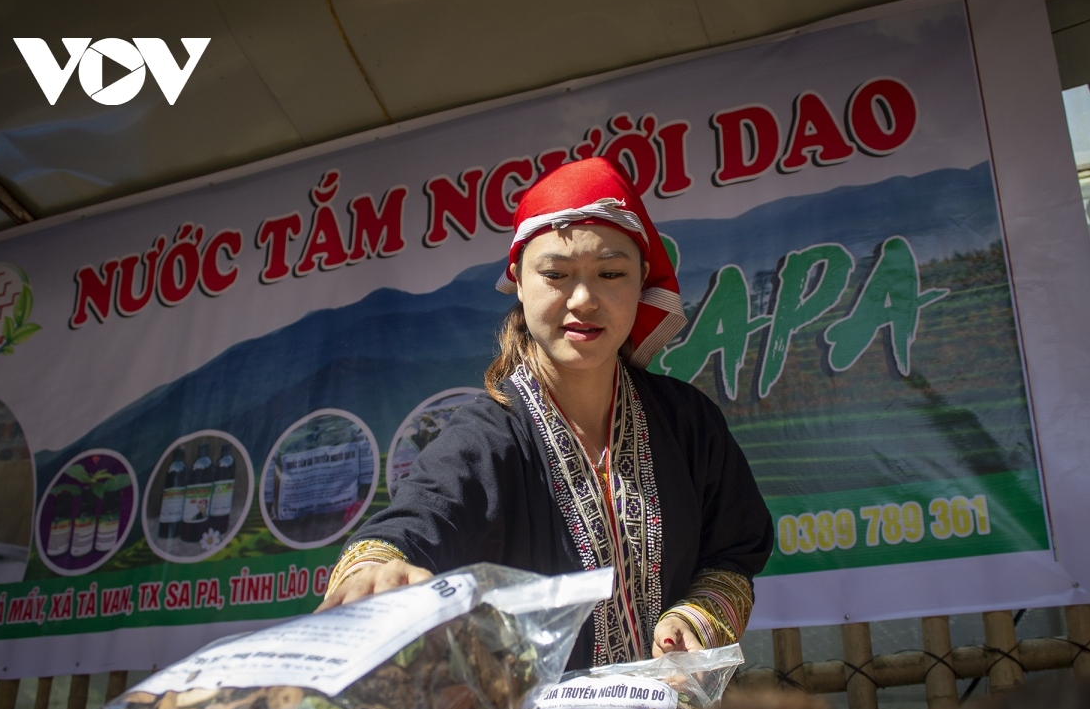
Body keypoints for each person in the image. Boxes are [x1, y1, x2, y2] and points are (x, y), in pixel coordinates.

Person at [320, 157, 772, 669]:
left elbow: (732, 555)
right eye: (555, 274)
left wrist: (695, 617)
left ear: (642, 279)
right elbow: (421, 517)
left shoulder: (689, 422)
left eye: (611, 273)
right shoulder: (487, 435)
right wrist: (378, 565)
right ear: (517, 278)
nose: (584, 299)